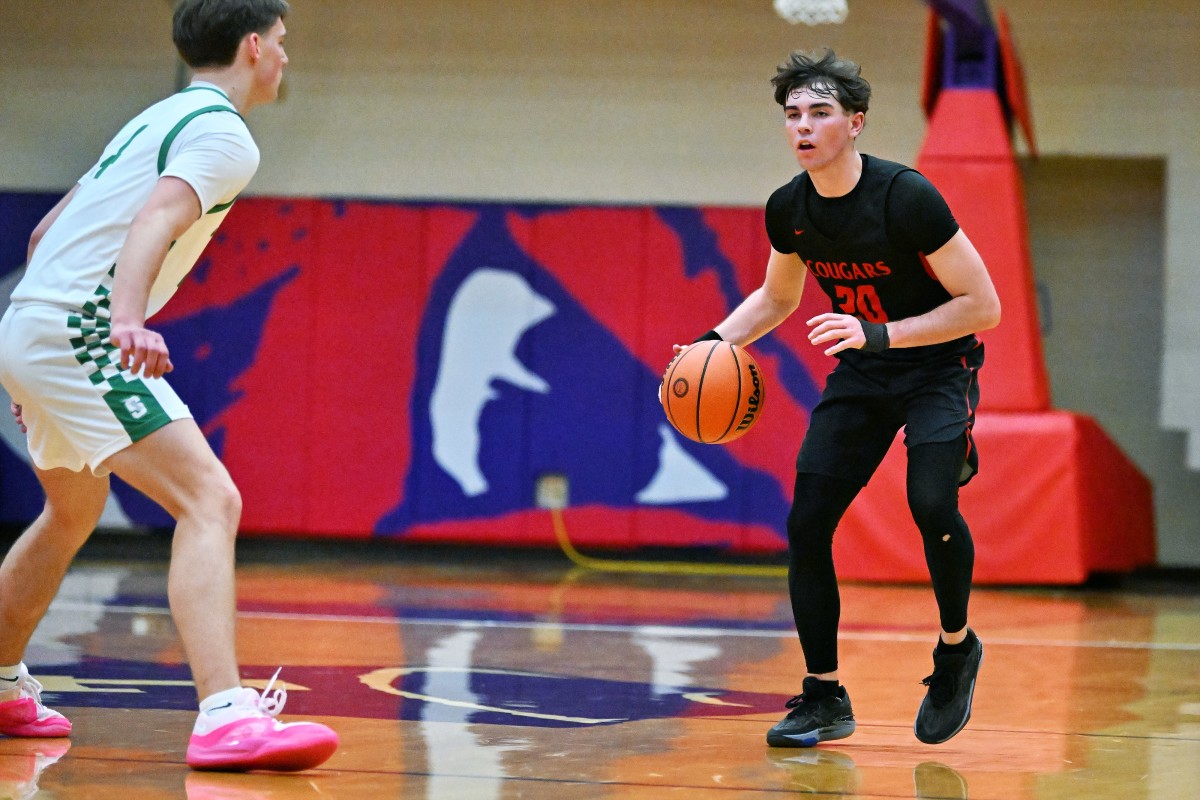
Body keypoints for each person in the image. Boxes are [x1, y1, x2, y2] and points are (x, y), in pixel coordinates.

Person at [0, 0, 339, 771]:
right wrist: (123, 320)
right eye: (282, 44)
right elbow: (155, 219)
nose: (286, 59)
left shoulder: (152, 119)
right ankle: (225, 715)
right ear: (253, 46)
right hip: (79, 329)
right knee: (210, 500)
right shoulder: (224, 132)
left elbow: (44, 234)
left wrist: (33, 355)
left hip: (29, 321)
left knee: (69, 511)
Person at [679, 49, 1000, 747]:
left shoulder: (907, 197)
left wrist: (879, 333)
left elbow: (983, 305)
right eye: (793, 114)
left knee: (931, 504)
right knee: (807, 525)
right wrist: (711, 344)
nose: (803, 126)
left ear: (854, 123)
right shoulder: (788, 210)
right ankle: (823, 696)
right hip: (863, 373)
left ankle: (956, 651)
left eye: (820, 113)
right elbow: (776, 298)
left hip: (938, 368)